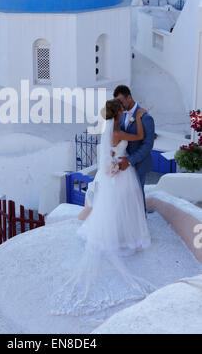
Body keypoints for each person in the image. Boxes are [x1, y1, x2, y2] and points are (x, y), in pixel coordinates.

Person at [50, 100, 154, 318]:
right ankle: (123, 238)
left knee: (114, 208)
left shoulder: (110, 132)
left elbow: (109, 153)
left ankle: (115, 235)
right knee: (123, 207)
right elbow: (141, 137)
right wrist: (140, 117)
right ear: (118, 112)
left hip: (113, 171)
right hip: (121, 172)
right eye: (121, 109)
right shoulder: (118, 133)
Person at [114, 85, 155, 214]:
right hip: (121, 165)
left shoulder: (146, 118)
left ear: (129, 97)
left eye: (121, 101)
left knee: (137, 196)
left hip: (138, 164)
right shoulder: (120, 115)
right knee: (124, 197)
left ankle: (142, 222)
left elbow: (148, 145)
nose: (119, 104)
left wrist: (130, 160)